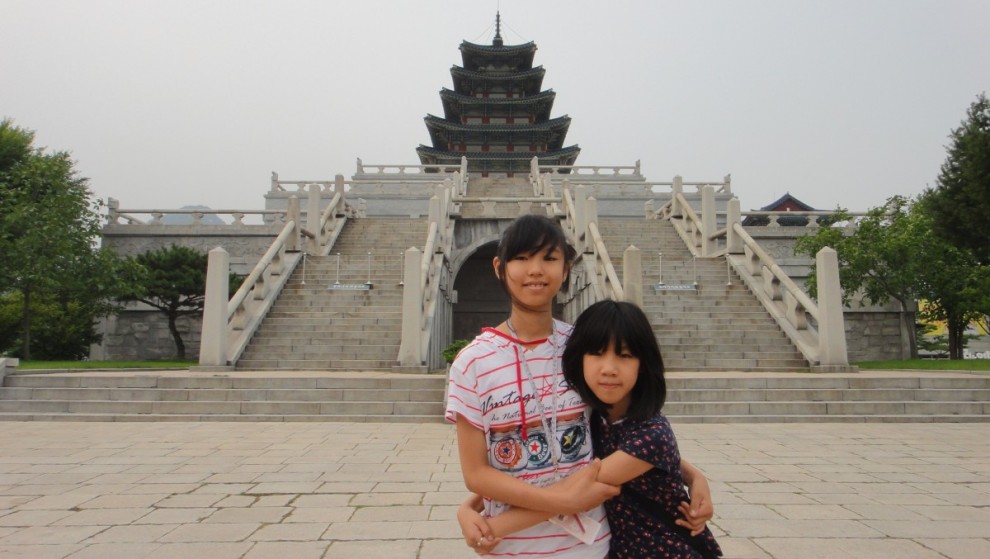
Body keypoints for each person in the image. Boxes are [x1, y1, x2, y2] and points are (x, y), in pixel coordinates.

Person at [446, 215, 713, 558]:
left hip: (593, 546)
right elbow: (477, 473)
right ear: (500, 267)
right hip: (513, 548)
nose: (536, 270)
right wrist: (473, 507)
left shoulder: (585, 348)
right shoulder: (472, 363)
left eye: (549, 258)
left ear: (566, 268)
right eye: (522, 258)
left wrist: (693, 476)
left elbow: (626, 436)